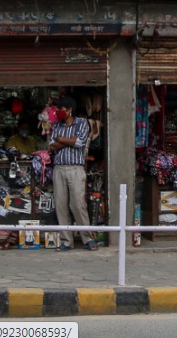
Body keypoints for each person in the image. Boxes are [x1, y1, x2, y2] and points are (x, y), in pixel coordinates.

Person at [48, 96, 98, 251]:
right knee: (61, 205)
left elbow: (80, 143)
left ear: (69, 110)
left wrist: (61, 139)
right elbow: (51, 146)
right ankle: (66, 241)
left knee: (78, 204)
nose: (58, 112)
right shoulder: (56, 124)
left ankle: (88, 238)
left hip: (76, 169)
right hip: (59, 168)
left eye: (61, 109)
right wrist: (68, 140)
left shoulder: (82, 123)